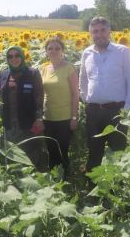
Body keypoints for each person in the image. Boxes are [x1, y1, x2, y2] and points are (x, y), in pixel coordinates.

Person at [79, 17, 130, 173]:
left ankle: (116, 191)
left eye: (102, 30)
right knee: (94, 151)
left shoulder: (122, 51)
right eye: (95, 31)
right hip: (93, 111)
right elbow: (83, 77)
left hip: (117, 111)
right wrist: (85, 97)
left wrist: (129, 106)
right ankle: (94, 189)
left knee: (117, 152)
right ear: (91, 33)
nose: (99, 34)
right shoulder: (87, 53)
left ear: (109, 31)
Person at [0, 46, 48, 172]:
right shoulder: (3, 74)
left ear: (22, 56)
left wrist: (39, 118)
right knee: (12, 153)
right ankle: (15, 179)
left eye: (17, 55)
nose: (14, 59)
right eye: (10, 56)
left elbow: (39, 96)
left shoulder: (32, 73)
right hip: (9, 121)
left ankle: (33, 178)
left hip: (28, 121)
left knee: (30, 152)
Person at [40, 37, 79, 180]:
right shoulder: (44, 69)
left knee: (63, 150)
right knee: (51, 150)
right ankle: (54, 180)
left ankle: (65, 180)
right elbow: (42, 93)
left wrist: (74, 117)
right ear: (46, 51)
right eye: (50, 48)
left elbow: (76, 94)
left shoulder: (69, 68)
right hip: (48, 116)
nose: (53, 51)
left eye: (57, 48)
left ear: (62, 51)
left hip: (65, 117)